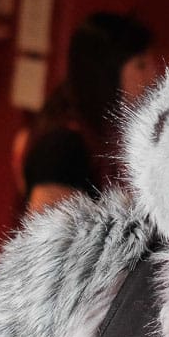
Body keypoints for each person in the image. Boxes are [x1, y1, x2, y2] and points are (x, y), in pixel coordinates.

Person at [12, 11, 157, 213]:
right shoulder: (63, 145)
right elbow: (53, 231)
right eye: (141, 65)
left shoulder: (100, 136)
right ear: (105, 75)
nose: (153, 75)